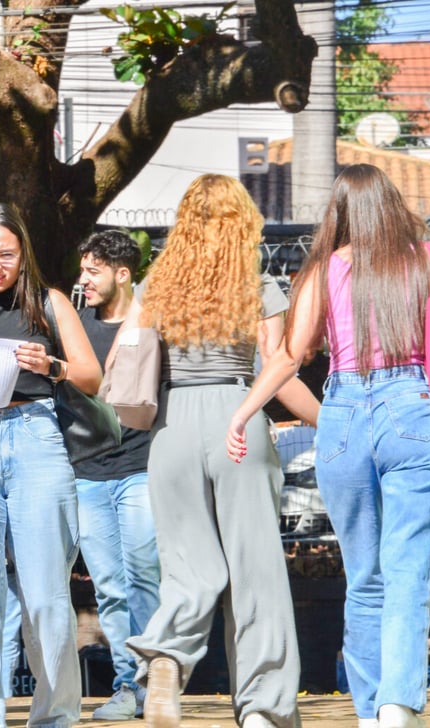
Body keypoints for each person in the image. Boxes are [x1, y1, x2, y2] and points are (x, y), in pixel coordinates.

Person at [224, 164, 430, 728]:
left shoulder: (323, 270)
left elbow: (288, 357)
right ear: (391, 204)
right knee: (407, 571)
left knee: (364, 577)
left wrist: (242, 412)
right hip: (412, 411)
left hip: (344, 417)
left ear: (339, 212)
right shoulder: (427, 259)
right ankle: (397, 703)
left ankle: (368, 711)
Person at [123, 175, 317, 728]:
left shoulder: (154, 288)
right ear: (243, 223)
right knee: (256, 570)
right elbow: (279, 371)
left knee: (187, 564)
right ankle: (263, 709)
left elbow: (128, 360)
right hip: (239, 418)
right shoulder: (258, 287)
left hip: (171, 427)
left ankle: (166, 655)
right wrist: (328, 421)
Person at [0, 202, 102, 728]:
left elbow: (92, 377)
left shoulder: (51, 303)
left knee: (47, 591)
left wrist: (51, 365)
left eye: (5, 254)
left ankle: (55, 716)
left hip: (37, 436)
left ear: (22, 252)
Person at [70, 230, 161, 720]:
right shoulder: (75, 325)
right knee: (108, 585)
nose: (83, 279)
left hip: (140, 467)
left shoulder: (152, 321)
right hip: (88, 472)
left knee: (145, 574)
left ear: (122, 274)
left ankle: (153, 681)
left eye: (94, 270)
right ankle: (128, 684)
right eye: (83, 269)